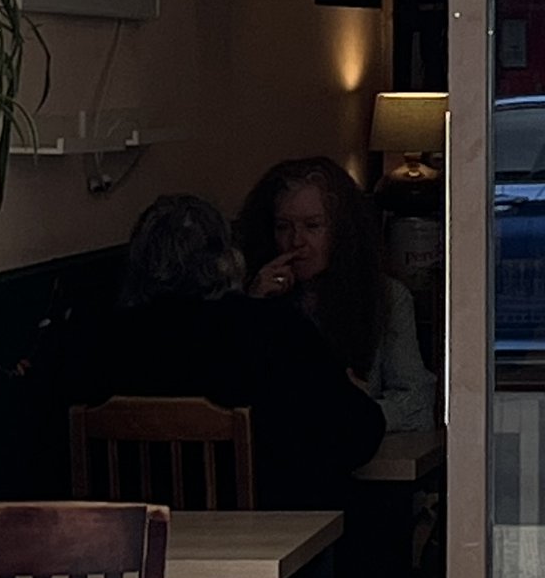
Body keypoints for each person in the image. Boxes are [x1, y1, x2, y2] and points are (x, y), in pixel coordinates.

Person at [82, 190, 384, 510]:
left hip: (129, 547)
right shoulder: (273, 330)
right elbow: (358, 436)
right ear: (226, 260)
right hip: (269, 542)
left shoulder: (96, 342)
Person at [238, 156, 437, 433]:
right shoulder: (251, 293)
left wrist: (355, 411)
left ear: (341, 231)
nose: (296, 241)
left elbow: (417, 403)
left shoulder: (387, 297)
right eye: (283, 227)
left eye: (312, 226)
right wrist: (251, 309)